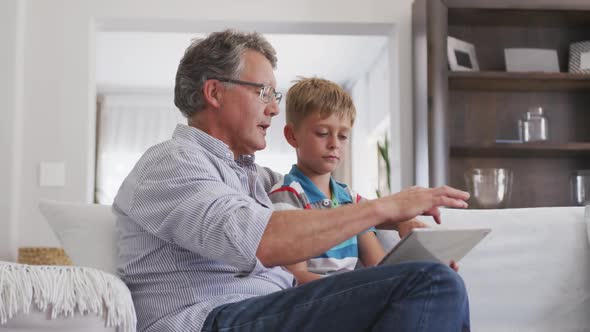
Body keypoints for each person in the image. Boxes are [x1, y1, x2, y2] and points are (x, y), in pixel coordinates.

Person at [113, 29, 472, 332]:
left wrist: (395, 222)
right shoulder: (172, 162)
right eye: (263, 92)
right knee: (431, 283)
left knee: (434, 283)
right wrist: (384, 207)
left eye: (275, 95)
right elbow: (265, 239)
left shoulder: (258, 179)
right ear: (215, 92)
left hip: (267, 309)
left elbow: (319, 203)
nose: (272, 107)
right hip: (213, 319)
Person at [269, 77, 426, 284]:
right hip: (318, 300)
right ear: (292, 136)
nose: (334, 144)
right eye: (322, 133)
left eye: (343, 136)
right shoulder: (287, 196)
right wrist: (356, 289)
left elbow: (378, 266)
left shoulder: (349, 199)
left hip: (354, 293)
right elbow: (295, 277)